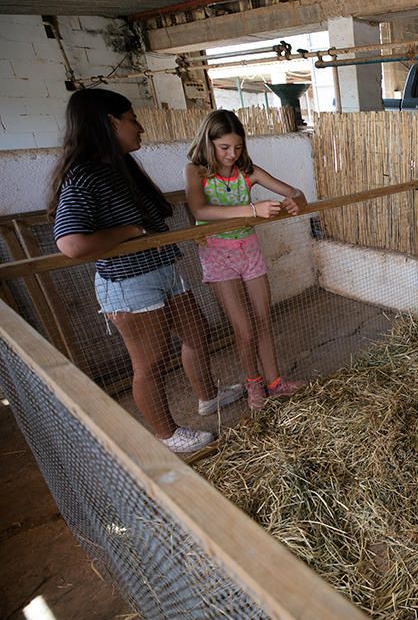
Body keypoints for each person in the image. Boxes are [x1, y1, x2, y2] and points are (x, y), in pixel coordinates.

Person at [50, 89, 242, 455]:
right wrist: (129, 232)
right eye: (132, 118)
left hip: (162, 267)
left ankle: (208, 396)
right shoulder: (84, 176)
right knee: (150, 361)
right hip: (129, 282)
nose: (139, 127)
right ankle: (166, 433)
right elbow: (71, 244)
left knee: (196, 331)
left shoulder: (118, 167)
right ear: (110, 123)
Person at [184, 110, 307, 410]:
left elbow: (295, 192)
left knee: (264, 319)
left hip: (249, 251)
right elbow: (200, 211)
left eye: (237, 147)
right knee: (244, 329)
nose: (231, 154)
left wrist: (296, 200)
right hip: (217, 255)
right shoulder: (196, 172)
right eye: (224, 147)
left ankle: (275, 382)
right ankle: (253, 383)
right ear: (208, 142)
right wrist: (252, 211)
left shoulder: (247, 171)